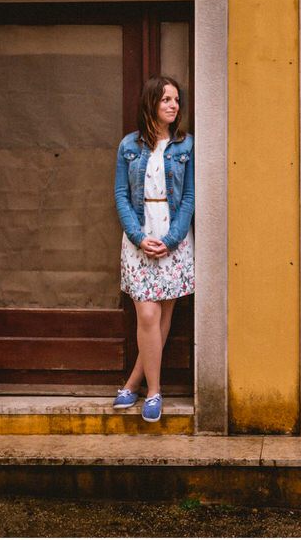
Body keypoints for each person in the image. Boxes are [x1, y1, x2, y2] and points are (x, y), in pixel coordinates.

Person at [112, 76, 194, 423]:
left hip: (173, 238)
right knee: (147, 315)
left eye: (176, 100)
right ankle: (153, 389)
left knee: (162, 319)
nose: (173, 106)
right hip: (139, 237)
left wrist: (172, 239)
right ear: (151, 104)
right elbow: (120, 194)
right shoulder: (128, 146)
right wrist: (136, 234)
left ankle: (137, 386)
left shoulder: (186, 146)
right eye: (166, 100)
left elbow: (189, 197)